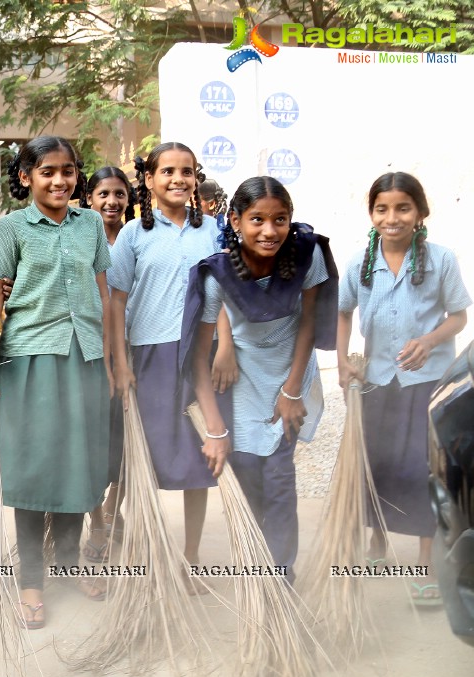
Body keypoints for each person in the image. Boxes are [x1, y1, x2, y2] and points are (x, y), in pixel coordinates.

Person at [0, 135, 113, 628]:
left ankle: (68, 563)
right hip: (30, 359)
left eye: (68, 171)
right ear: (26, 177)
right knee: (33, 469)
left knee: (79, 465)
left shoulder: (92, 223)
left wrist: (114, 359)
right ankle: (31, 580)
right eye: (47, 171)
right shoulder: (11, 228)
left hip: (85, 358)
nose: (59, 180)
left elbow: (103, 295)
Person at [184, 175, 338, 584]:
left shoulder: (307, 254)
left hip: (289, 373)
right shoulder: (216, 275)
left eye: (280, 220)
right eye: (257, 220)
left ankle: (281, 582)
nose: (270, 231)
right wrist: (215, 429)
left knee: (280, 483)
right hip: (242, 380)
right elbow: (199, 358)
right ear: (235, 220)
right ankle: (255, 578)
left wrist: (292, 391)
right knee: (248, 481)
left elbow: (307, 325)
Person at [338, 171, 470, 606]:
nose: (391, 218)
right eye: (382, 209)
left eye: (402, 208)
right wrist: (343, 362)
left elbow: (458, 317)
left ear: (420, 214)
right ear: (372, 214)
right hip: (378, 381)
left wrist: (430, 340)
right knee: (378, 464)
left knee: (422, 470)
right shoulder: (360, 262)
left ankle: (426, 563)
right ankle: (377, 546)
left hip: (426, 382)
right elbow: (341, 313)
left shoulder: (441, 260)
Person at [108, 144, 234, 585]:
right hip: (150, 354)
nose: (178, 179)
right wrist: (121, 363)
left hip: (200, 350)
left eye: (186, 171)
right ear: (149, 179)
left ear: (196, 178)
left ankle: (191, 557)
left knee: (198, 458)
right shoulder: (133, 235)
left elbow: (224, 292)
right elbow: (117, 302)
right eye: (167, 171)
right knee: (145, 456)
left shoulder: (214, 231)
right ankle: (145, 554)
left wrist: (226, 345)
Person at [79, 166, 136, 563]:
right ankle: (97, 522)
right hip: (92, 353)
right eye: (103, 194)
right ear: (89, 199)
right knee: (93, 442)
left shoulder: (136, 237)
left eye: (119, 194)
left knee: (130, 441)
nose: (111, 202)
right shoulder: (81, 237)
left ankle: (115, 510)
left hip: (134, 351)